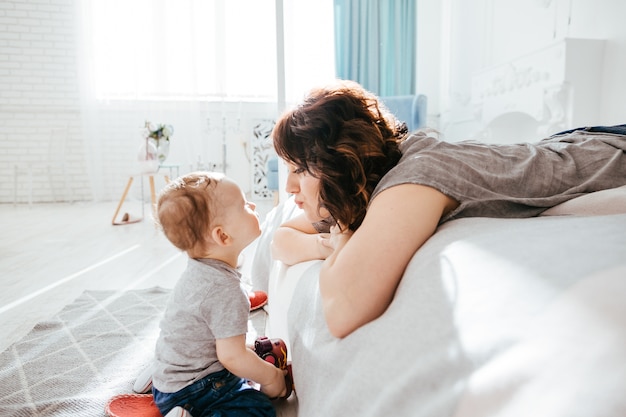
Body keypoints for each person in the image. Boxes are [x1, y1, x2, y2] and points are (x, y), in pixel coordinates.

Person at [270, 79, 626, 339]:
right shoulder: (365, 186)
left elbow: (342, 310)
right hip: (567, 140)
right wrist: (324, 245)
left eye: (300, 170)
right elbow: (280, 240)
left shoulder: (412, 180)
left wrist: (343, 245)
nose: (289, 189)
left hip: (607, 150)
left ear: (343, 163)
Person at [152, 171, 286, 417]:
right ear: (223, 236)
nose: (253, 205)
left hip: (169, 378)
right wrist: (272, 377)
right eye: (244, 205)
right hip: (195, 389)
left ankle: (163, 391)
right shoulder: (225, 291)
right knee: (258, 409)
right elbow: (232, 357)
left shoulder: (199, 271)